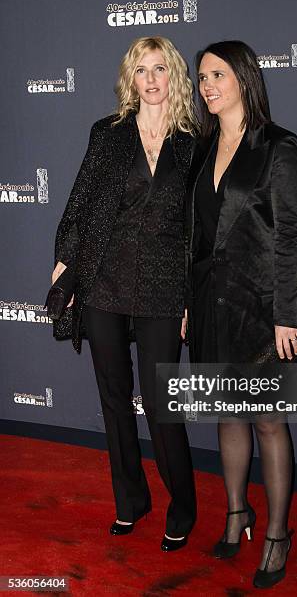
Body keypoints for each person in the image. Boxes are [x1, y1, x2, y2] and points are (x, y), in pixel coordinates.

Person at [52, 36, 197, 552]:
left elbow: (199, 232)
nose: (151, 79)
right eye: (141, 70)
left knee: (161, 406)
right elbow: (81, 202)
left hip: (163, 287)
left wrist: (189, 302)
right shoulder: (107, 133)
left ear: (174, 75)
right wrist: (64, 269)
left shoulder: (192, 142)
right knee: (114, 402)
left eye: (160, 69)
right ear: (130, 79)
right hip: (105, 284)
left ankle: (183, 504)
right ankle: (130, 501)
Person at [185, 40, 297, 588]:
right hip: (212, 302)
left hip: (261, 309)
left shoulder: (279, 147)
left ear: (244, 78)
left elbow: (290, 236)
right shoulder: (203, 147)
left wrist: (288, 314)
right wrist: (189, 305)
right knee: (227, 414)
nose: (205, 86)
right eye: (200, 77)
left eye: (216, 74)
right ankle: (237, 513)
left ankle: (278, 533)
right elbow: (197, 236)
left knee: (266, 420)